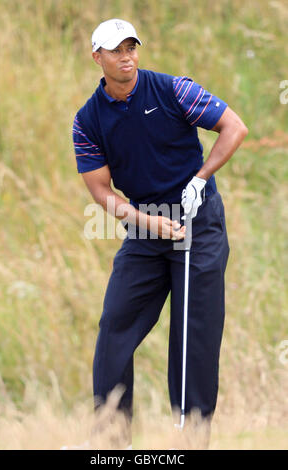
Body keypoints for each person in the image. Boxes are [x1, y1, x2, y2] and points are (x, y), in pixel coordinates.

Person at [72, 18, 248, 446]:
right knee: (115, 324)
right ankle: (113, 440)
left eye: (132, 47)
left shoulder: (174, 90)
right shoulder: (88, 120)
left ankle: (191, 442)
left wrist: (201, 178)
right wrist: (143, 220)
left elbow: (234, 127)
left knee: (193, 337)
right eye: (116, 50)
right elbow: (101, 191)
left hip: (197, 222)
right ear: (98, 57)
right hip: (145, 227)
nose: (127, 56)